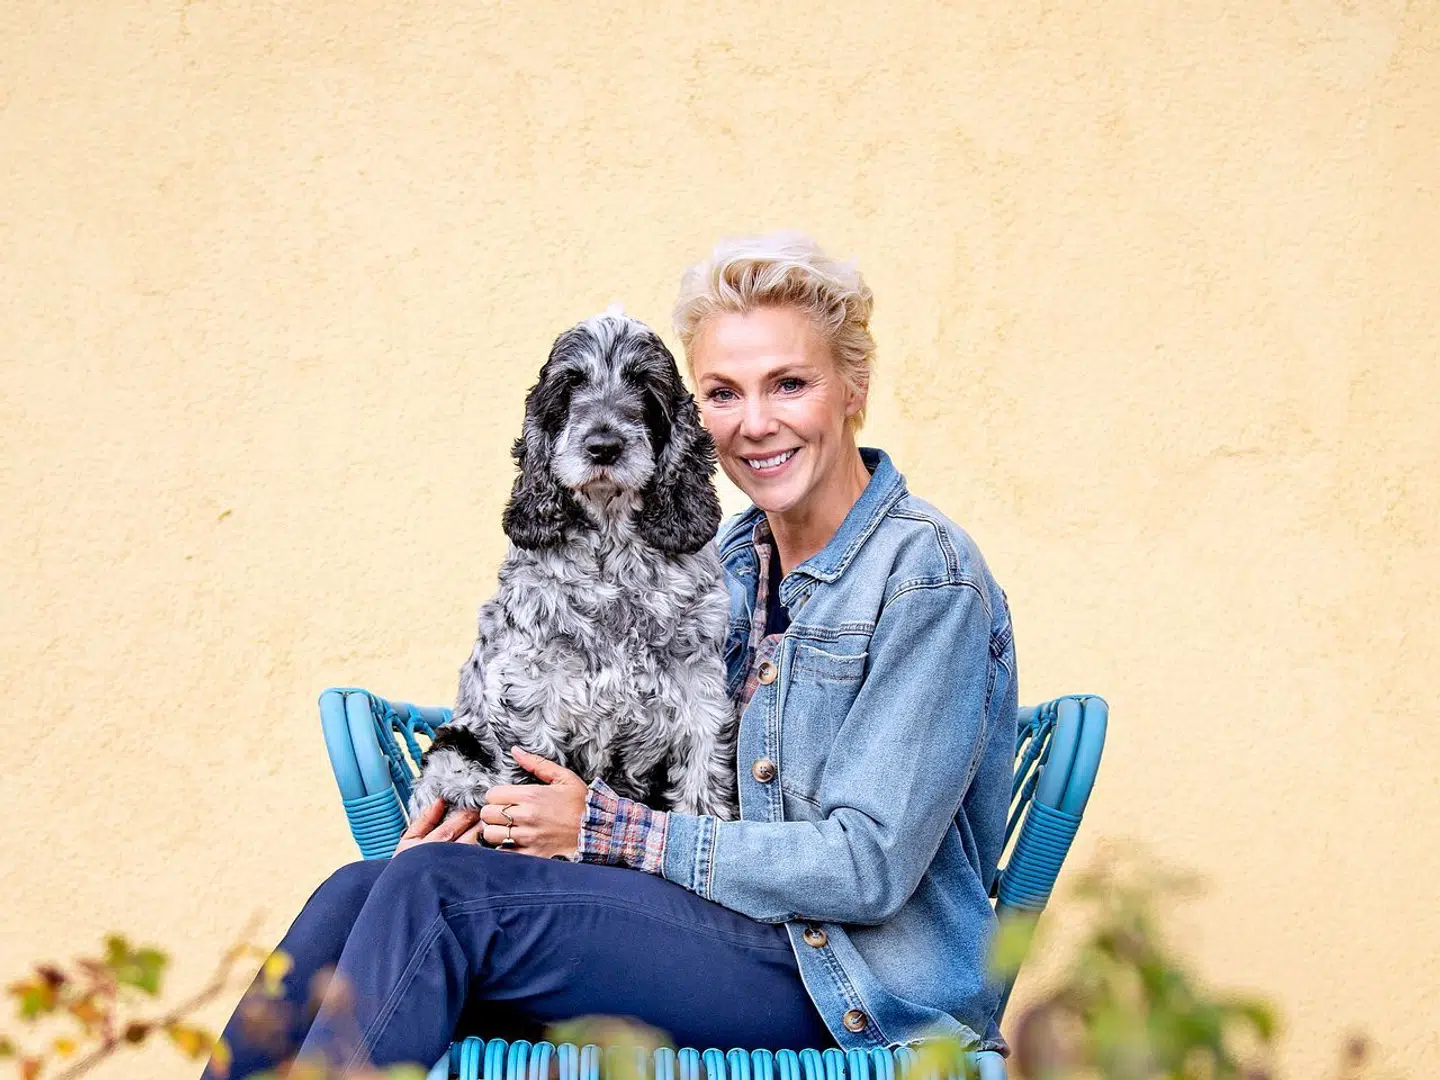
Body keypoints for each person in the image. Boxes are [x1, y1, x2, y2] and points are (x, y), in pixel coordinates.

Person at [205, 233, 1017, 1079]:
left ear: (853, 387)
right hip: (707, 925)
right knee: (360, 889)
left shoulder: (927, 576)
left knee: (435, 900)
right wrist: (467, 815)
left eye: (789, 384)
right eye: (722, 393)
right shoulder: (722, 564)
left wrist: (606, 827)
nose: (755, 422)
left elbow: (867, 868)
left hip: (849, 980)